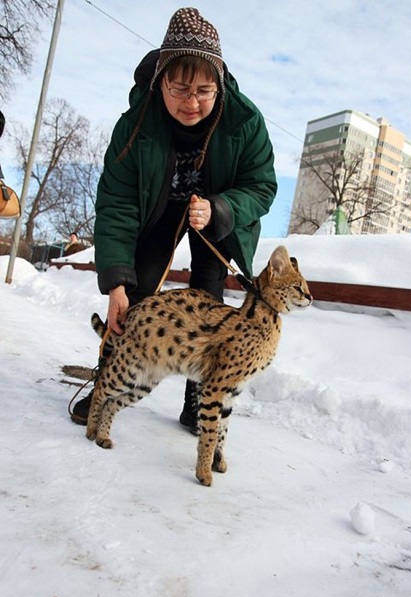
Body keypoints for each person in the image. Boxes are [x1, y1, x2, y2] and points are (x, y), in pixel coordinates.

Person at [70, 7, 277, 432]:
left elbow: (262, 187)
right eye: (180, 88)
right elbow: (117, 202)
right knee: (138, 293)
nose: (192, 102)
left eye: (204, 90)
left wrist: (223, 209)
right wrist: (115, 281)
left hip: (214, 221)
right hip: (156, 213)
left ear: (219, 85)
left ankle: (199, 400)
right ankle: (107, 383)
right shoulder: (135, 125)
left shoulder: (246, 122)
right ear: (161, 78)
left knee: (209, 299)